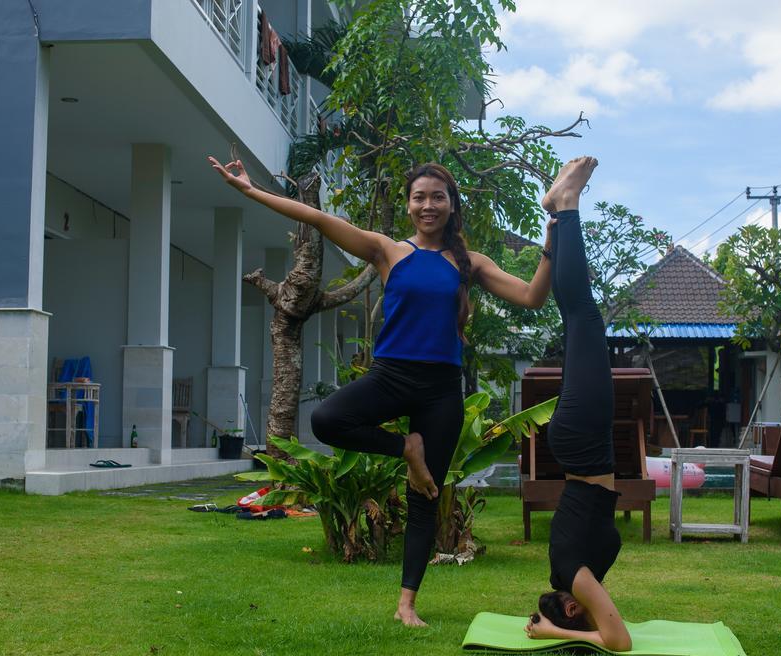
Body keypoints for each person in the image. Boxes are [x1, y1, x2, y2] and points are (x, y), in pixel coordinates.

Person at [207, 154, 554, 627]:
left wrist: (553, 238)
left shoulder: (468, 263)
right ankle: (405, 449)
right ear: (408, 205)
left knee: (425, 497)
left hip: (440, 389)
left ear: (452, 205)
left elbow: (533, 296)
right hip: (391, 375)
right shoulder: (387, 251)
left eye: (437, 197)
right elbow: (317, 216)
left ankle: (406, 604)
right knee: (327, 420)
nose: (427, 205)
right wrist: (249, 191)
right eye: (419, 197)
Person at [522, 156, 633, 652]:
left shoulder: (574, 576)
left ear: (572, 607)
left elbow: (619, 641)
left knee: (584, 316)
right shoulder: (569, 574)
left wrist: (552, 632)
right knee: (577, 317)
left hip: (583, 445)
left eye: (581, 616)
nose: (595, 609)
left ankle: (566, 206)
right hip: (584, 447)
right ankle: (561, 210)